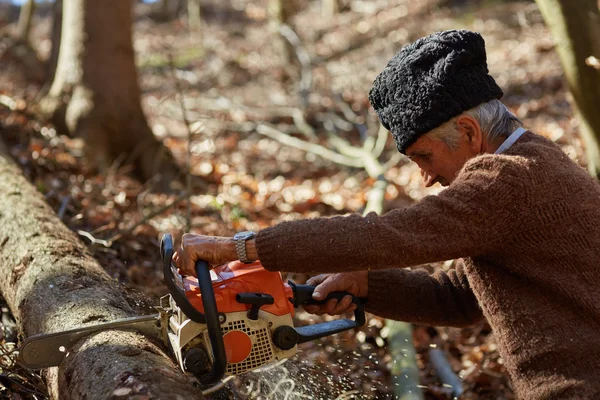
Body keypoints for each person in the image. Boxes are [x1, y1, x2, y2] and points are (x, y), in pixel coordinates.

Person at [173, 30, 600, 399]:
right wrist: (366, 285)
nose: (426, 178)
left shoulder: (507, 179)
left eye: (425, 156)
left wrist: (241, 247)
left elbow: (390, 235)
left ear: (469, 132)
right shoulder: (535, 162)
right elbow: (460, 298)